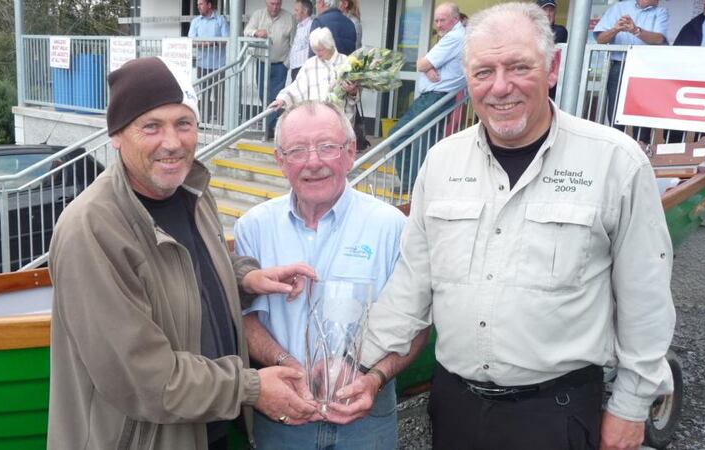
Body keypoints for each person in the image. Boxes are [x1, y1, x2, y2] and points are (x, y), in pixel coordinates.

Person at [336, 3, 676, 449]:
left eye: (519, 67)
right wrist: (358, 367)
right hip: (455, 409)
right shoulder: (440, 163)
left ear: (552, 68)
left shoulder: (616, 162)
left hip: (557, 414)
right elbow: (412, 284)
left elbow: (645, 300)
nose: (500, 87)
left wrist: (631, 407)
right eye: (483, 72)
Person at [47, 56, 320, 449]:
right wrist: (252, 387)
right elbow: (141, 376)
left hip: (207, 428)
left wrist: (243, 277)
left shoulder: (190, 190)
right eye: (151, 126)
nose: (172, 143)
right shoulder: (91, 228)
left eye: (184, 123)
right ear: (117, 136)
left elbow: (184, 272)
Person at [234, 99, 429, 450]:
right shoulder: (254, 227)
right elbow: (247, 319)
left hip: (367, 416)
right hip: (286, 413)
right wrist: (288, 364)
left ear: (351, 152)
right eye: (297, 150)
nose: (313, 162)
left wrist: (374, 378)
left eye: (327, 147)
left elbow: (415, 324)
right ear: (280, 161)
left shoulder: (391, 227)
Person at [390, 2, 465, 192]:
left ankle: (417, 189)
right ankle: (410, 184)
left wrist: (427, 66)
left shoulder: (455, 37)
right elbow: (421, 64)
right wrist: (428, 66)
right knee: (398, 135)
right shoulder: (449, 36)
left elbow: (421, 64)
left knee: (421, 143)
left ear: (455, 20)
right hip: (429, 97)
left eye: (443, 20)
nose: (438, 25)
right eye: (436, 20)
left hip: (436, 97)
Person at [594, 0, 669, 147]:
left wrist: (636, 30)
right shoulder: (619, 8)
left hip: (645, 69)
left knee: (642, 113)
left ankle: (641, 148)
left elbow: (659, 39)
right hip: (619, 66)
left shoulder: (660, 12)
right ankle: (616, 148)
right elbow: (601, 39)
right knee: (615, 113)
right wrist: (615, 29)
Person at [668, 0, 705, 143]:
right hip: (687, 85)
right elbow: (674, 54)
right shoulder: (692, 25)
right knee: (675, 129)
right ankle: (672, 158)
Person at [271, 28, 359, 124]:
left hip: (340, 120)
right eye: (315, 50)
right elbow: (297, 86)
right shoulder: (310, 64)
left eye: (320, 50)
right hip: (314, 120)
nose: (317, 53)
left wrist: (352, 91)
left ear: (330, 46)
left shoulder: (346, 62)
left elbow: (356, 93)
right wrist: (282, 99)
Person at [244, 0, 296, 140]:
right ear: (267, 2)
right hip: (262, 62)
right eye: (272, 4)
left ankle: (268, 128)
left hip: (280, 65)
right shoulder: (258, 15)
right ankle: (272, 126)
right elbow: (246, 31)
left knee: (275, 97)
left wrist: (287, 63)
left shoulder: (289, 18)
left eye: (278, 4)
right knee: (262, 94)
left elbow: (294, 43)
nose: (275, 7)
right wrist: (256, 32)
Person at [188, 0, 229, 122]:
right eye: (198, 5)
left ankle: (221, 122)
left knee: (219, 95)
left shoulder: (220, 20)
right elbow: (191, 41)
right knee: (204, 94)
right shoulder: (196, 21)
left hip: (219, 65)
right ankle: (204, 121)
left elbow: (226, 39)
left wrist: (210, 43)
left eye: (201, 4)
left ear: (209, 5)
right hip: (202, 64)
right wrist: (207, 43)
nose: (198, 7)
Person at [538, 0, 567, 99]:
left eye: (551, 10)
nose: (548, 13)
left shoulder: (560, 31)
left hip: (550, 84)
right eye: (545, 10)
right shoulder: (528, 30)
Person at [289, 0, 314, 82]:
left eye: (297, 10)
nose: (294, 13)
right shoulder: (300, 26)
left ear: (305, 11)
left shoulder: (311, 25)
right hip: (295, 68)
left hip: (303, 69)